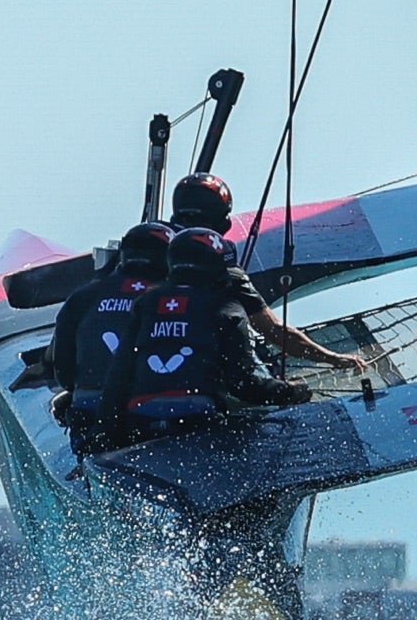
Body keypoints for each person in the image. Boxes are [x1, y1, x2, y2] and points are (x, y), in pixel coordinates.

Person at [111, 228, 316, 437]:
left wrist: (103, 434)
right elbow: (242, 384)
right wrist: (291, 392)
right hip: (200, 423)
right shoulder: (226, 307)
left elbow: (117, 377)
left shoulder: (144, 305)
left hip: (139, 424)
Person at [167, 172, 362, 371]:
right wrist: (333, 358)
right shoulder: (223, 269)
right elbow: (273, 330)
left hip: (141, 374)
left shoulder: (148, 247)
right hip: (197, 374)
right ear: (222, 223)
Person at [49, 220, 174, 453]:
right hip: (151, 416)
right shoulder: (174, 302)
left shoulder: (83, 296)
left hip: (89, 409)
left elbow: (63, 372)